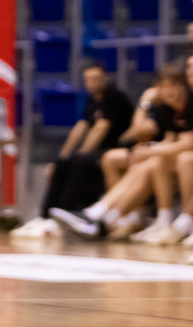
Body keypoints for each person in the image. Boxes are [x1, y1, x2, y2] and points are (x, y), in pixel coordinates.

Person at [53, 60, 190, 241]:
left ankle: (104, 218)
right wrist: (145, 107)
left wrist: (152, 150)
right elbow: (142, 135)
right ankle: (111, 217)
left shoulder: (114, 97)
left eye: (170, 85)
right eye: (162, 86)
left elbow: (184, 142)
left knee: (159, 161)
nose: (165, 90)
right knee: (114, 158)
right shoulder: (168, 109)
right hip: (166, 157)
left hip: (176, 159)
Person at [12, 61, 133, 238]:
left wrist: (81, 153)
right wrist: (62, 157)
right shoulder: (92, 99)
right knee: (62, 164)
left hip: (115, 150)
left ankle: (63, 213)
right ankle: (45, 215)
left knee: (79, 163)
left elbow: (101, 128)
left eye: (96, 78)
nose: (92, 83)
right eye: (88, 79)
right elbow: (81, 127)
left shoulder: (113, 96)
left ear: (104, 79)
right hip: (98, 154)